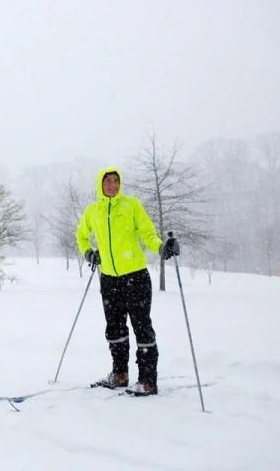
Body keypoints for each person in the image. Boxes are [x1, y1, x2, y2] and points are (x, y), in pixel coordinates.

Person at [75, 167, 180, 396]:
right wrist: (89, 253)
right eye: (107, 181)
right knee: (114, 329)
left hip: (136, 277)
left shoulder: (131, 205)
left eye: (116, 181)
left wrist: (161, 247)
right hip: (109, 279)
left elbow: (147, 233)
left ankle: (147, 380)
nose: (112, 185)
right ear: (100, 185)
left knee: (141, 328)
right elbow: (81, 236)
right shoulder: (93, 211)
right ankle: (120, 374)